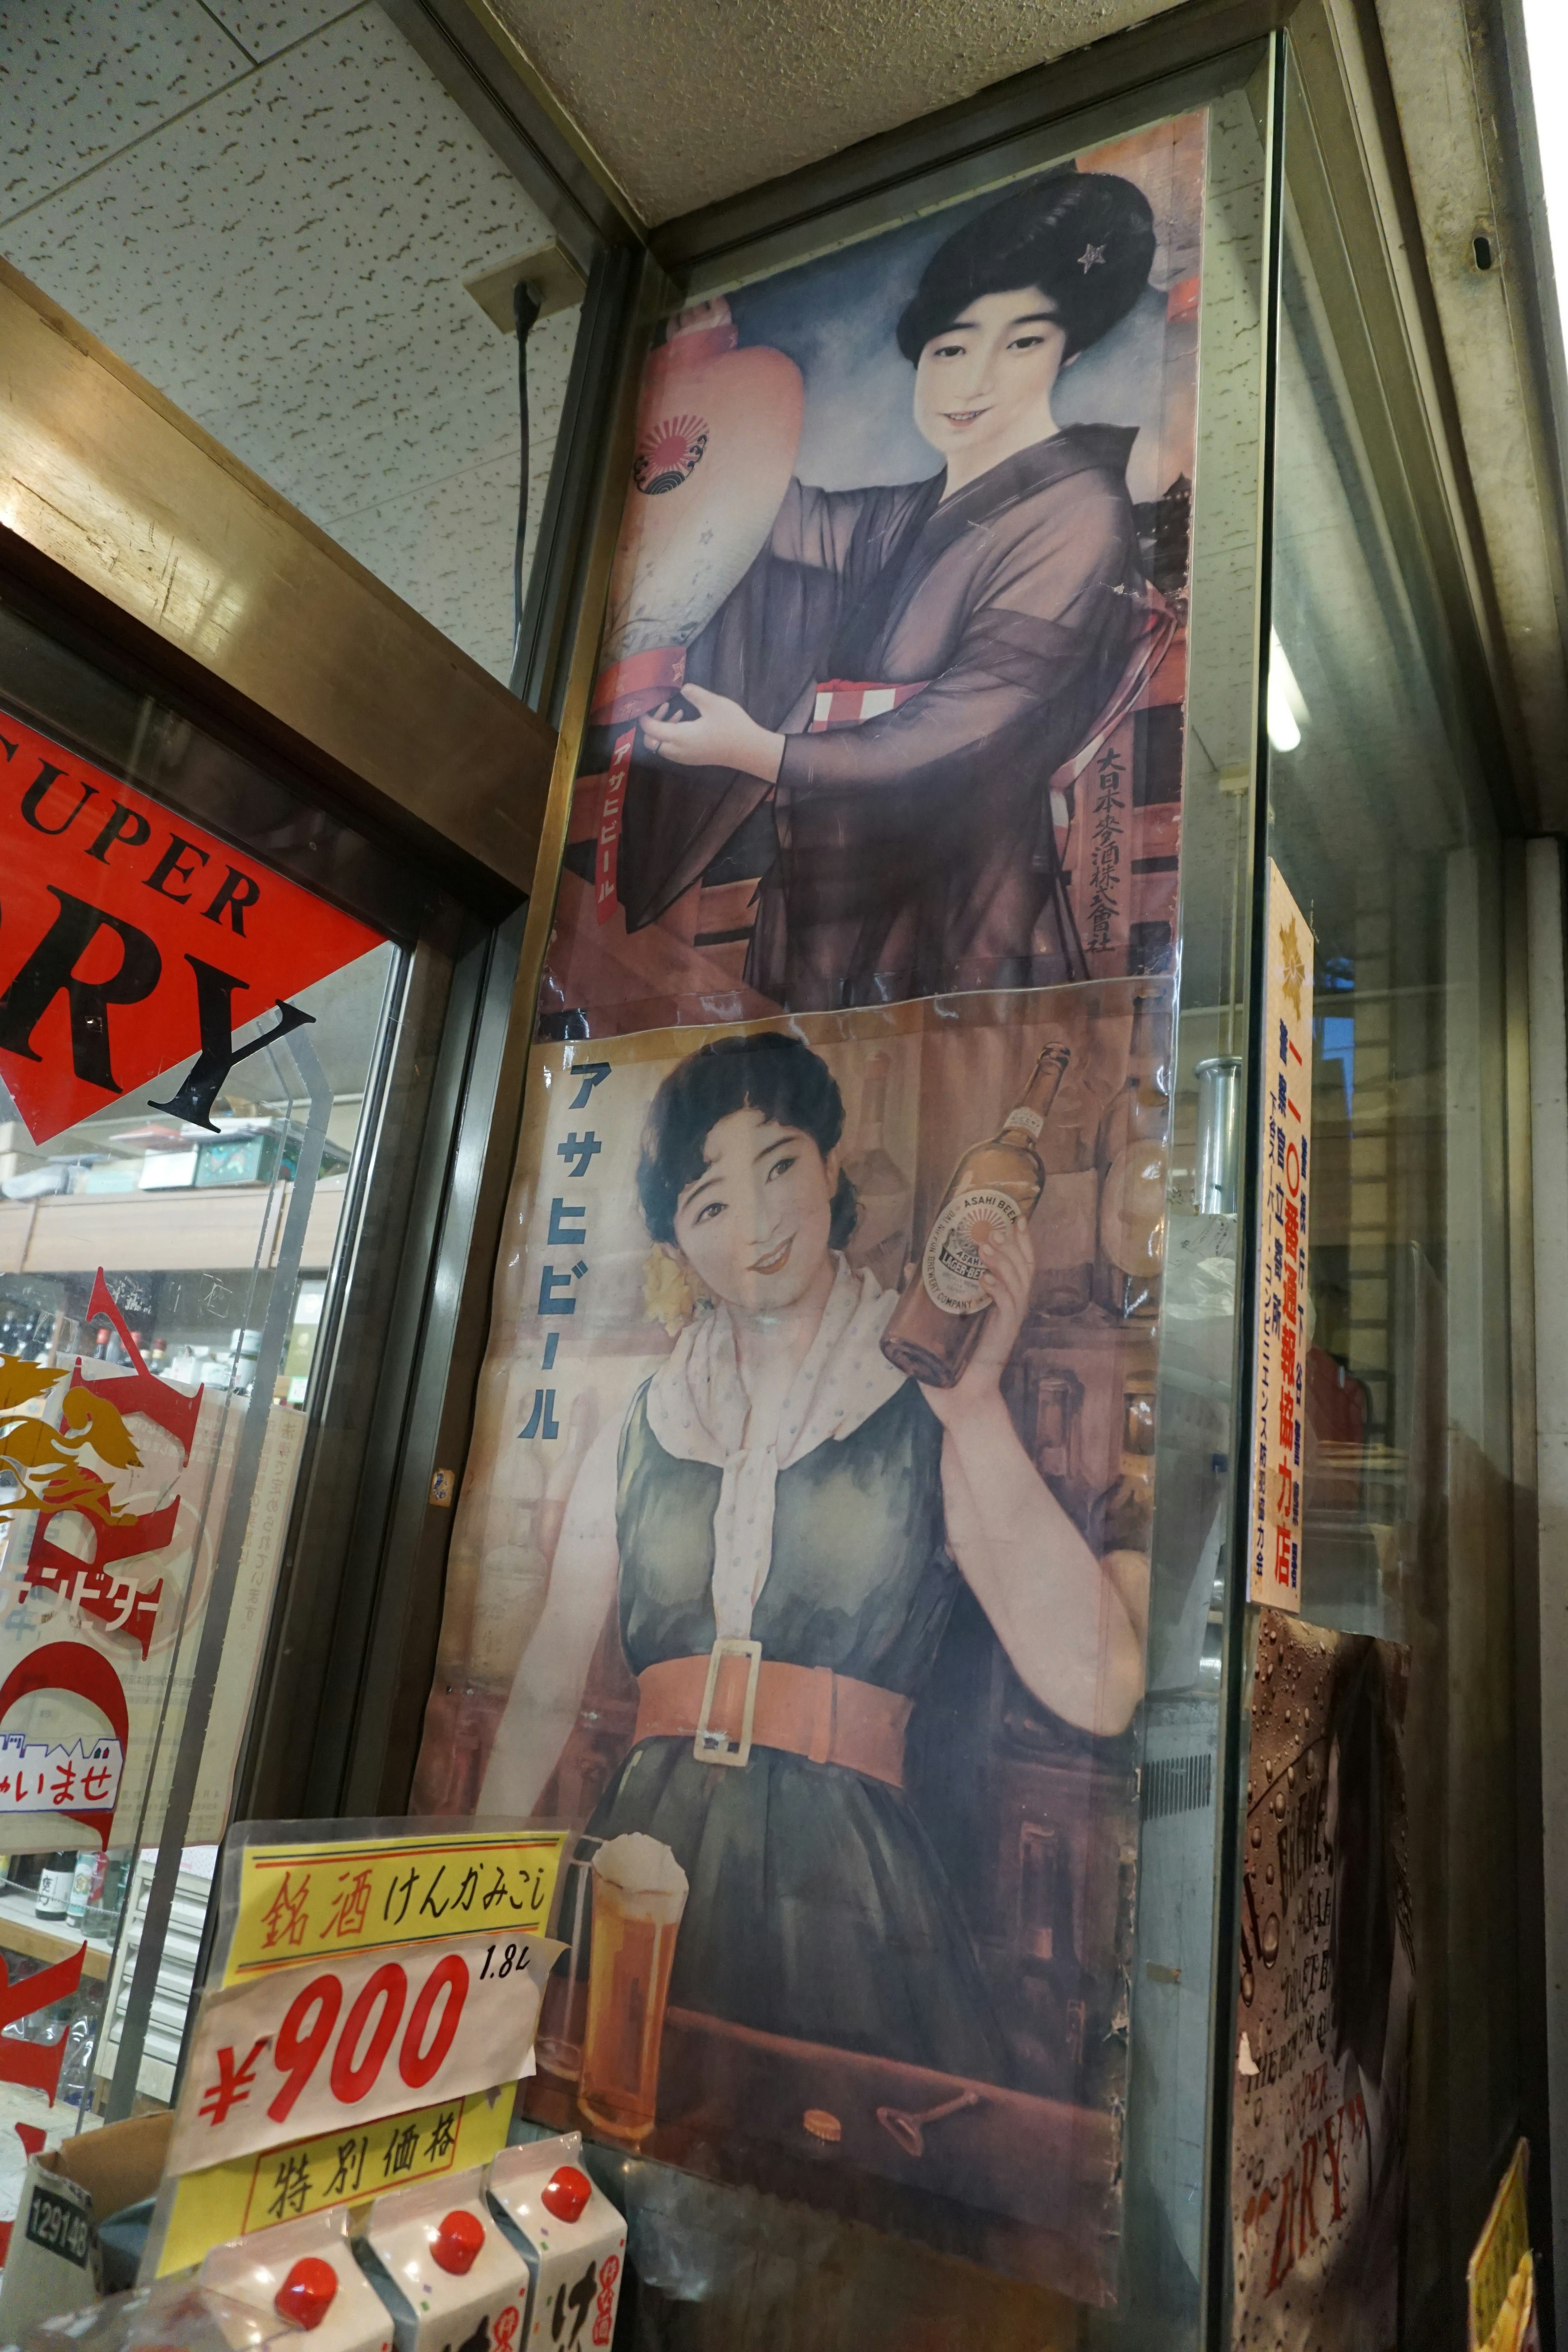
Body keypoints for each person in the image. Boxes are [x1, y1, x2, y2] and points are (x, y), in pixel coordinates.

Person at [480, 1033, 1143, 2077]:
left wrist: (974, 1416)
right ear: (677, 1247)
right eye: (709, 1205)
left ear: (833, 1168)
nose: (757, 1222)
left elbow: (1099, 1687)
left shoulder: (926, 1386)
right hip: (640, 1867)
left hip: (850, 1898)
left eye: (779, 1164)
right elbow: (544, 1691)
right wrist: (479, 1913)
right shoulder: (647, 1419)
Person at [622, 168, 1162, 1012]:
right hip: (827, 875)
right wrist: (710, 384)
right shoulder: (902, 515)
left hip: (958, 887)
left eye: (1022, 343)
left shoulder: (1078, 510)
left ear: (1074, 352)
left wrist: (762, 753)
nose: (972, 379)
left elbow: (964, 723)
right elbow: (771, 518)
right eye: (950, 348)